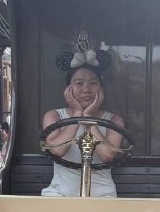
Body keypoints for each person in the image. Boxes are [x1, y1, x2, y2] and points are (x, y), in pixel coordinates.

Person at [41, 44, 124, 197]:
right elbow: (57, 150)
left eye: (93, 83)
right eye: (79, 83)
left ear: (101, 88)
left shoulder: (114, 120)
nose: (86, 89)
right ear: (68, 88)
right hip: (60, 194)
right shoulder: (54, 116)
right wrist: (77, 114)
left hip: (103, 195)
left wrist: (88, 118)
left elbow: (107, 155)